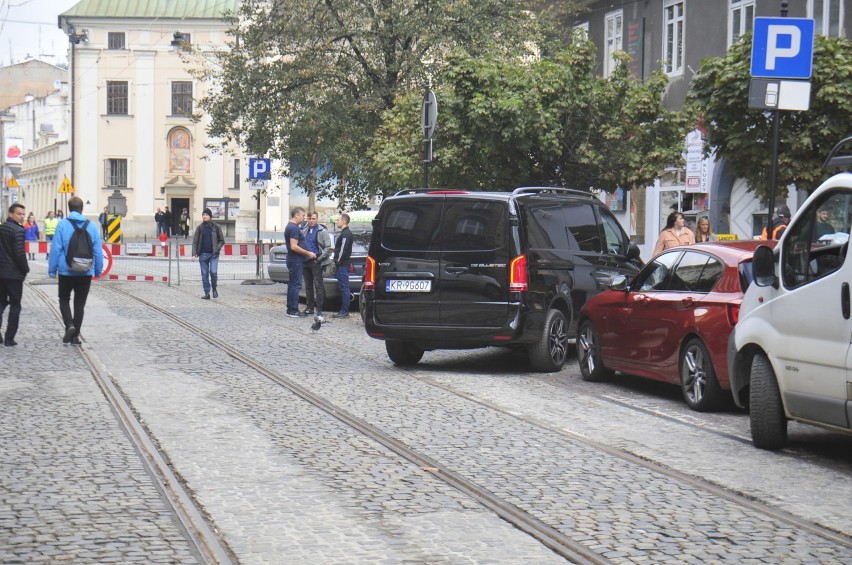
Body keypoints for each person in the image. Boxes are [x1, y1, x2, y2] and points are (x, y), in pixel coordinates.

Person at [47, 196, 103, 346]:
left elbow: (56, 249)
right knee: (79, 305)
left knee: (64, 299)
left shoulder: (62, 225)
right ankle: (75, 336)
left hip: (66, 271)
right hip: (85, 272)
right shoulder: (91, 226)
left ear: (69, 208)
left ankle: (69, 326)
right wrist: (98, 271)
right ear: (81, 209)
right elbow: (98, 250)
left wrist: (52, 270)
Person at [0, 203, 30, 346]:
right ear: (11, 214)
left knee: (1, 302)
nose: (22, 216)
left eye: (23, 214)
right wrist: (25, 269)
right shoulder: (18, 230)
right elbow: (19, 253)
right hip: (13, 274)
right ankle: (9, 338)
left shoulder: (2, 228)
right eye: (19, 214)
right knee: (15, 305)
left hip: (1, 273)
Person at [284, 207, 316, 317]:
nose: (304, 218)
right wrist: (308, 253)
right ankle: (293, 310)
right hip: (296, 260)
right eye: (302, 216)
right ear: (296, 215)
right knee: (296, 285)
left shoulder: (292, 227)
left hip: (294, 260)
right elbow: (294, 246)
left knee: (293, 284)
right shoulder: (293, 228)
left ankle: (291, 309)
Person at [301, 211, 333, 317]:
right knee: (308, 286)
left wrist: (319, 259)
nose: (311, 221)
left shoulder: (322, 231)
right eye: (309, 219)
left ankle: (319, 309)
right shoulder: (304, 230)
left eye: (313, 219)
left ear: (317, 219)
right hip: (306, 261)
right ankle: (309, 307)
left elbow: (328, 247)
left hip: (316, 261)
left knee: (318, 286)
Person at [191, 208, 225, 299]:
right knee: (204, 274)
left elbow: (222, 241)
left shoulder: (216, 227)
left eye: (206, 215)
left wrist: (217, 249)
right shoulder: (200, 228)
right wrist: (194, 254)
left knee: (213, 272)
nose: (204, 216)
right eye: (203, 215)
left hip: (214, 254)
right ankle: (207, 292)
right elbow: (195, 242)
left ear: (210, 216)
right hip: (203, 255)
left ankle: (214, 289)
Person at [332, 213, 353, 319]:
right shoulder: (345, 233)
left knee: (344, 287)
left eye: (338, 219)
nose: (337, 221)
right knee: (344, 287)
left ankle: (344, 311)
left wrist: (337, 261)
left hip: (342, 264)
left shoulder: (345, 234)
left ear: (344, 221)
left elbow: (343, 250)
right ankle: (344, 310)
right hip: (343, 264)